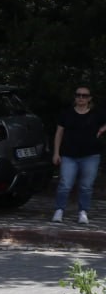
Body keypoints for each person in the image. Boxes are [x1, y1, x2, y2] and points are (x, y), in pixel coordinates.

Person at [52, 84, 106, 224]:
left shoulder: (97, 114)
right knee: (65, 184)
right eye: (78, 95)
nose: (81, 98)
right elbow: (59, 133)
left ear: (90, 98)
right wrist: (56, 153)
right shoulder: (66, 113)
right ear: (75, 97)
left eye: (84, 95)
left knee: (86, 185)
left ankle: (83, 211)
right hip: (69, 155)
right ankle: (59, 210)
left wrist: (102, 129)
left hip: (91, 155)